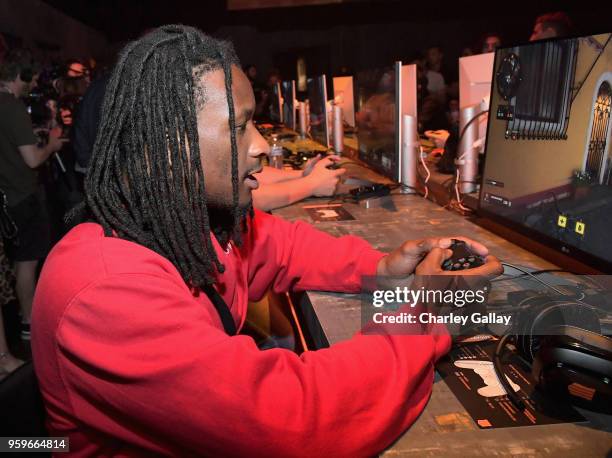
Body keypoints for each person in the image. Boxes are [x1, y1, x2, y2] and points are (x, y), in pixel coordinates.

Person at [32, 25, 501, 456]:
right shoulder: (104, 290)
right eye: (239, 127)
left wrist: (380, 268)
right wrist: (427, 308)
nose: (259, 144)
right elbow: (296, 423)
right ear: (170, 142)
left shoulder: (191, 219)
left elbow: (281, 246)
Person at [0, 49, 65, 341]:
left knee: (19, 260)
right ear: (20, 75)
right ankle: (29, 322)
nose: (33, 85)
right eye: (32, 79)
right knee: (29, 261)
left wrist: (34, 133)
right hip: (23, 194)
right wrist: (51, 144)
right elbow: (33, 161)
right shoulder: (12, 106)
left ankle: (21, 315)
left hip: (7, 195)